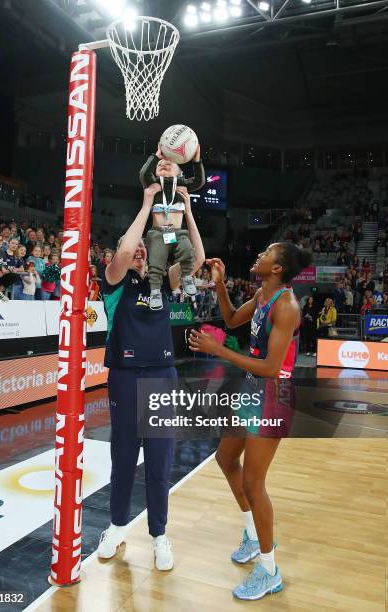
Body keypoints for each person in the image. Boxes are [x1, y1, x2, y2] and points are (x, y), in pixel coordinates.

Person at [188, 242, 312, 601]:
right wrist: (221, 283)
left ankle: (270, 570)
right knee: (225, 459)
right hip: (253, 389)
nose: (260, 254)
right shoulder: (261, 293)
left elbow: (273, 368)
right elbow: (230, 320)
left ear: (278, 269)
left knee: (255, 484)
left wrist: (220, 351)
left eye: (267, 253)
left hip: (275, 394)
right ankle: (253, 536)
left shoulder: (286, 306)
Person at [97, 184, 204, 571]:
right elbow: (124, 251)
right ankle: (115, 527)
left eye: (146, 247)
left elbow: (198, 259)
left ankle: (159, 535)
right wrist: (145, 205)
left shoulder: (164, 282)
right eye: (136, 248)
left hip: (161, 374)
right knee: (123, 458)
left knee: (159, 462)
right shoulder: (113, 283)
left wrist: (188, 212)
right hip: (124, 376)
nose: (140, 250)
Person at [139, 144, 205, 310]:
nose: (163, 163)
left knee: (187, 250)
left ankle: (187, 277)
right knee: (156, 261)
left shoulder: (182, 184)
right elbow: (143, 174)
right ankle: (155, 292)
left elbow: (199, 180)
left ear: (180, 173)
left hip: (177, 232)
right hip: (157, 232)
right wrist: (156, 156)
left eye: (169, 164)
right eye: (160, 164)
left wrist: (196, 161)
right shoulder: (154, 185)